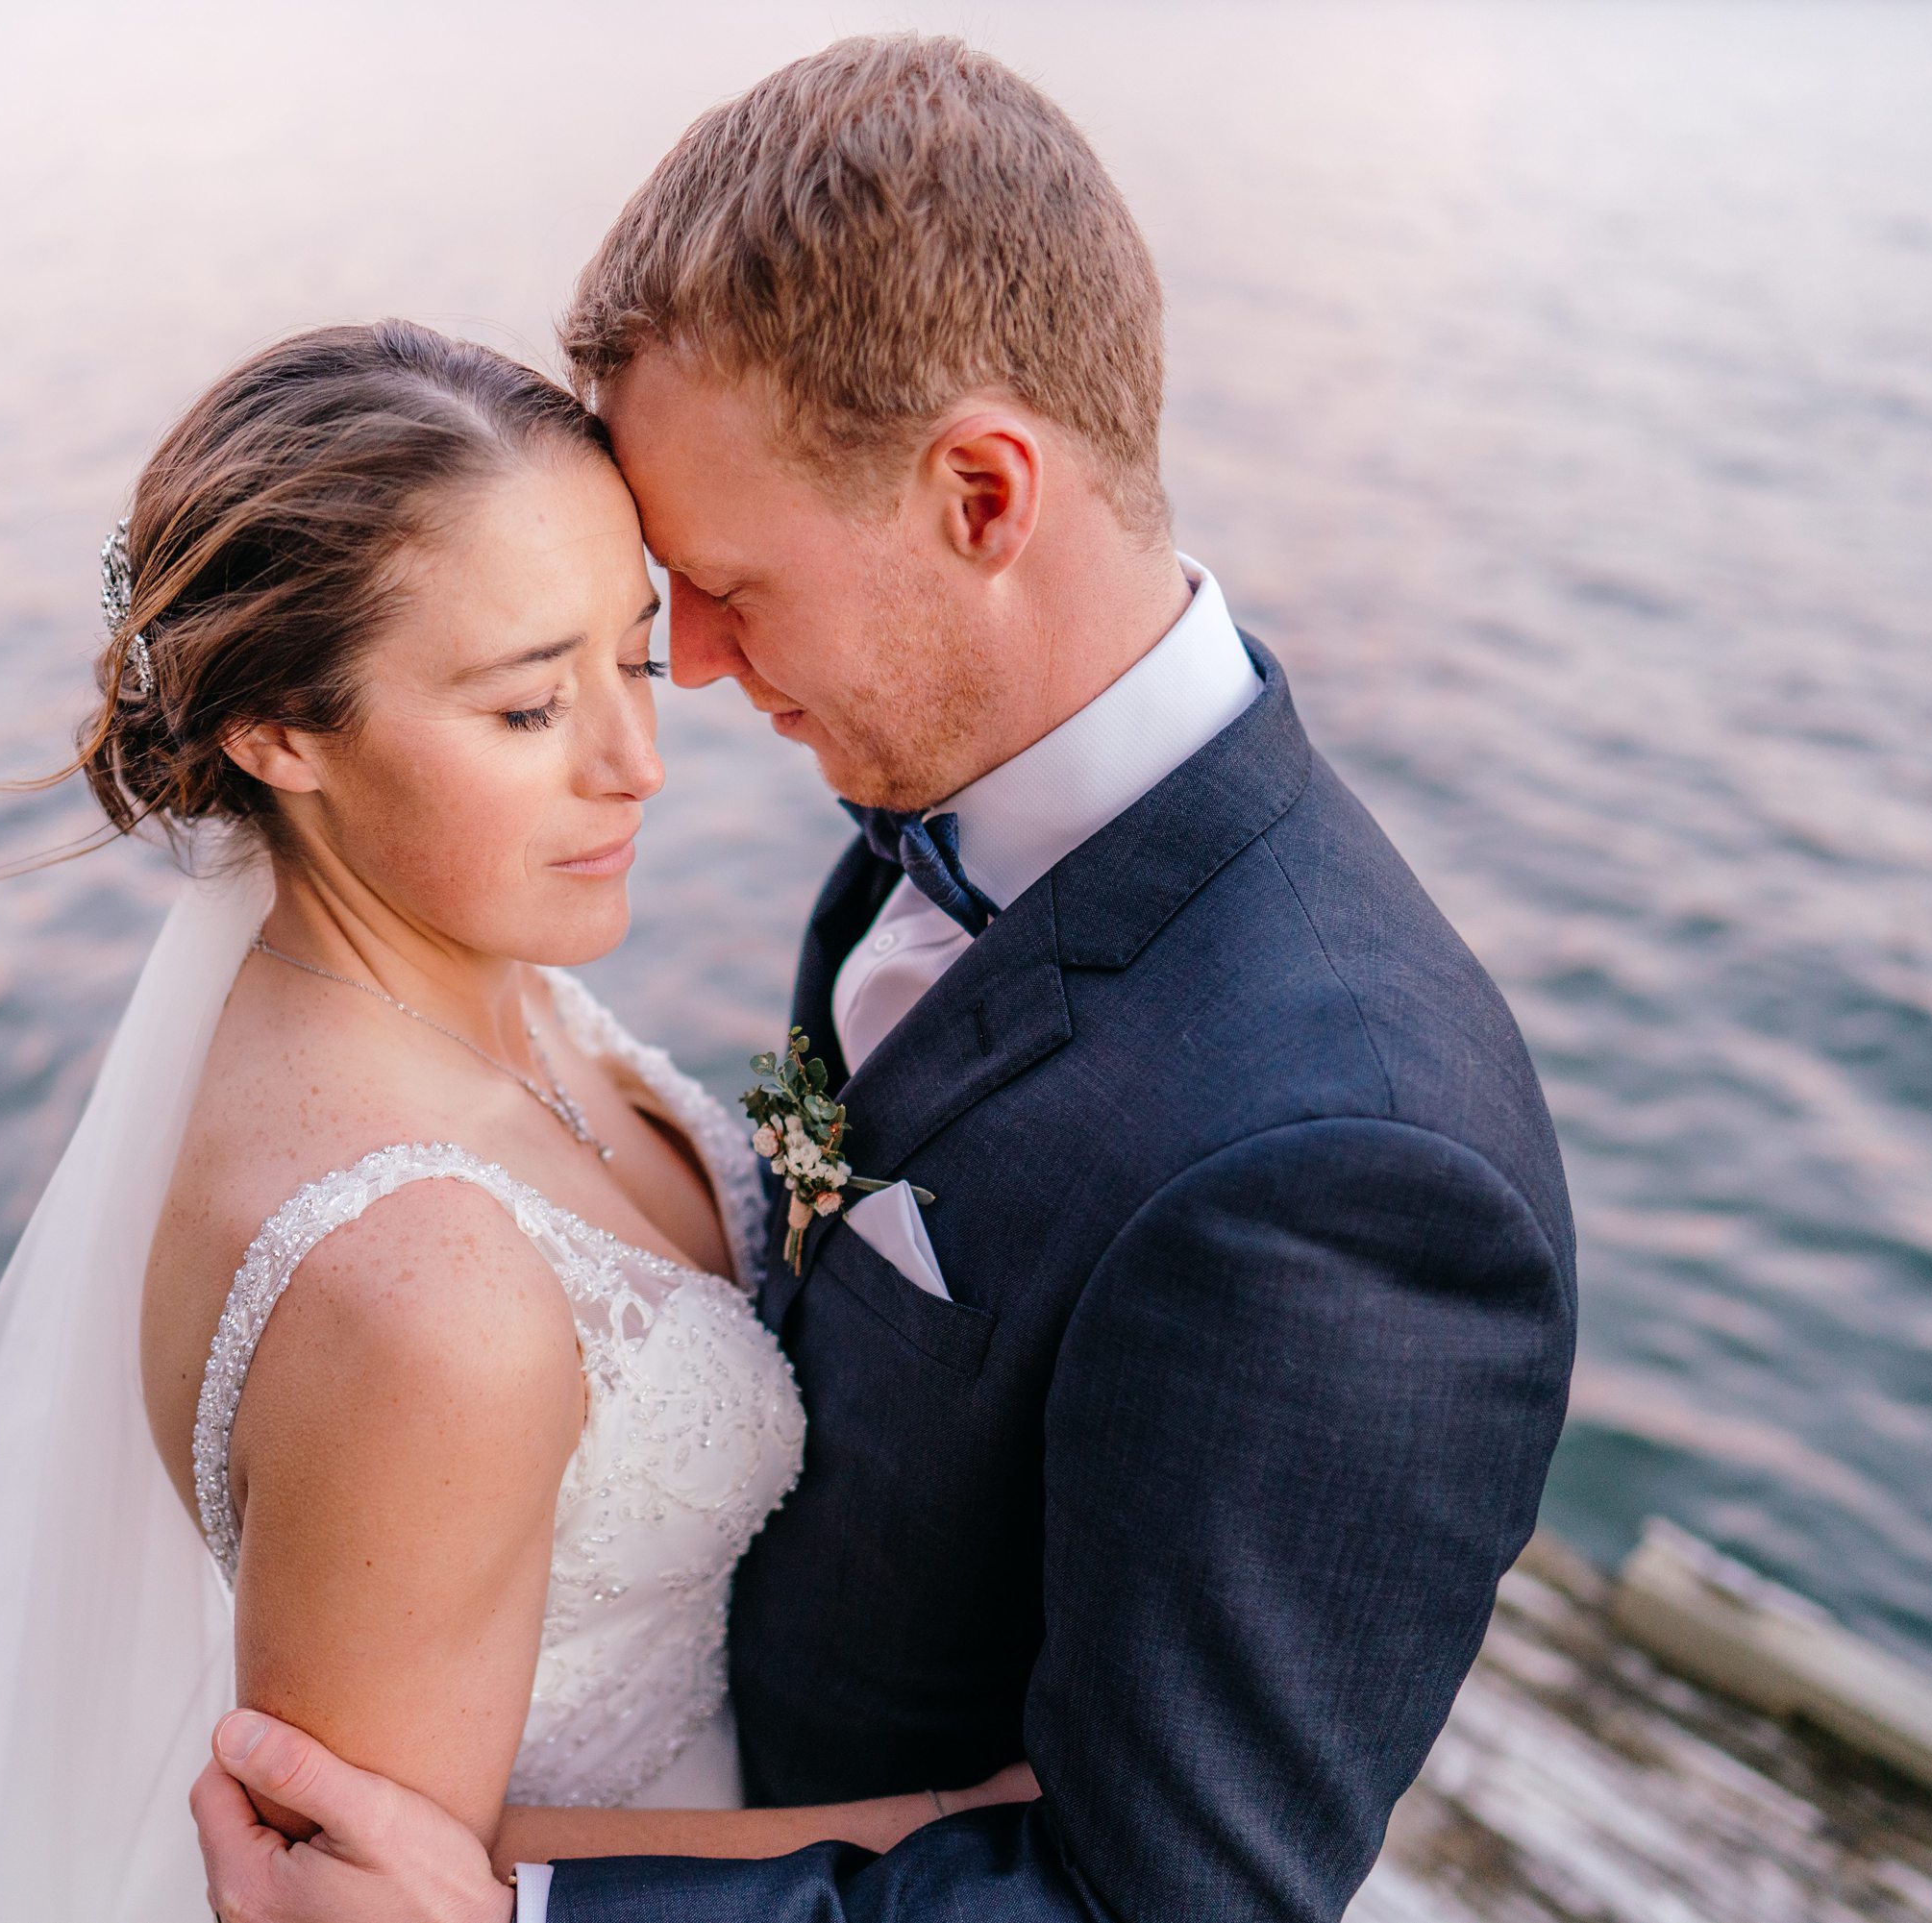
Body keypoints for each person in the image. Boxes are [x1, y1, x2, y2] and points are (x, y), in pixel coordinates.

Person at [191, 36, 1577, 1923]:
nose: (685, 676)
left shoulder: (1344, 1169)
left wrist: (526, 1914)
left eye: (731, 591)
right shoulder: (940, 815)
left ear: (984, 498)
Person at [0, 318, 1034, 1923]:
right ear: (282, 732)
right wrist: (945, 1820)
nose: (636, 763)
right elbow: (381, 1886)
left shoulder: (472, 966)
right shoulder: (426, 1296)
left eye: (630, 658)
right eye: (523, 710)